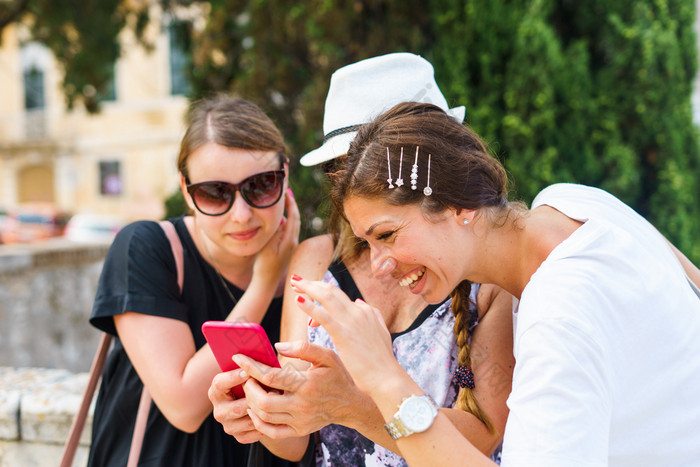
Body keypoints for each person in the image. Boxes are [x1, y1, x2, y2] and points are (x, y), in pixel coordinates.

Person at [289, 101, 700, 466]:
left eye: (387, 235)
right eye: (366, 243)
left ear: (460, 206)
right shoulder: (573, 202)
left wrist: (383, 378)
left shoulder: (560, 312)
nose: (378, 265)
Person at [208, 53, 514, 465]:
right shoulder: (316, 262)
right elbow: (298, 441)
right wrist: (263, 413)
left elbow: (481, 439)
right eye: (347, 167)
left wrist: (354, 407)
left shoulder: (487, 280)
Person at [87, 96, 300, 466]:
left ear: (285, 175)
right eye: (215, 193)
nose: (242, 214)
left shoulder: (311, 268)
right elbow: (183, 406)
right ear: (187, 190)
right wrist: (263, 286)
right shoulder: (149, 249)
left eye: (262, 185)